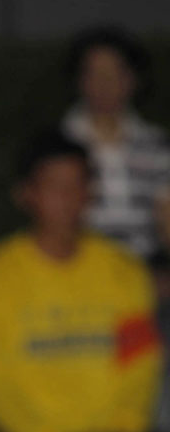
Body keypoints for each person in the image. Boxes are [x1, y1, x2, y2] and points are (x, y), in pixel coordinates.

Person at [0, 131, 165, 432]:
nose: (67, 197)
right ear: (26, 194)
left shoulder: (125, 271)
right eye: (54, 186)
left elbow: (141, 365)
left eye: (77, 184)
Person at [61, 26, 170, 263]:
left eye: (115, 72)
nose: (104, 83)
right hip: (80, 267)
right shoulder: (61, 144)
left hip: (145, 268)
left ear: (134, 79)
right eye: (94, 73)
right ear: (79, 80)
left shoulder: (158, 145)